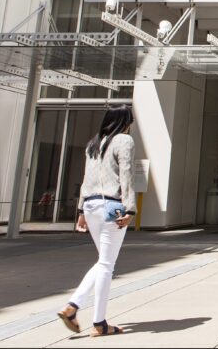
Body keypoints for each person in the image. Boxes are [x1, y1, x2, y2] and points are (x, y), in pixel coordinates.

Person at [57, 105, 136, 337]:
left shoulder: (94, 143)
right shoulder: (123, 141)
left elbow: (86, 178)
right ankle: (98, 322)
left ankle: (73, 307)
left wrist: (81, 210)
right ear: (124, 121)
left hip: (91, 206)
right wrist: (130, 209)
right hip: (111, 207)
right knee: (106, 265)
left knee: (103, 261)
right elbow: (127, 173)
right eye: (130, 120)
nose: (131, 125)